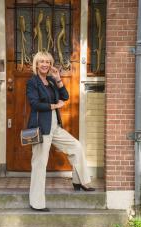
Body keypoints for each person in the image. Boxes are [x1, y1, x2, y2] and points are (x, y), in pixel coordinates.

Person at [26, 51, 95, 212]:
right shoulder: (32, 82)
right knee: (39, 165)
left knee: (76, 147)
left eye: (48, 62)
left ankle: (80, 181)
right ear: (36, 64)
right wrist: (54, 106)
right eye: (42, 61)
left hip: (55, 126)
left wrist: (58, 79)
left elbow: (65, 96)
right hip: (41, 128)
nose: (45, 64)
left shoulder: (50, 81)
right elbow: (34, 104)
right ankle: (36, 202)